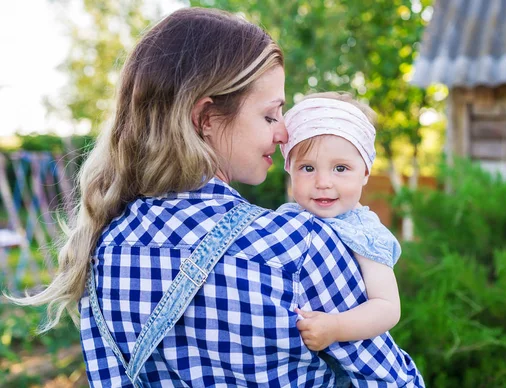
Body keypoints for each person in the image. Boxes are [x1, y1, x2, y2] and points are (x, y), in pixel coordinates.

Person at [8, 7, 424, 387]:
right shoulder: (296, 245)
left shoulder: (103, 246)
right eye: (269, 114)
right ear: (206, 118)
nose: (283, 134)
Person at [278, 92, 402, 351]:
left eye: (340, 168)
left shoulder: (364, 232)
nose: (323, 183)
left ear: (365, 171)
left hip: (345, 356)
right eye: (308, 168)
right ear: (290, 169)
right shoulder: (285, 217)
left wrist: (335, 327)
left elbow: (388, 307)